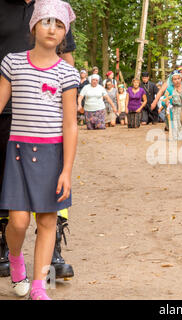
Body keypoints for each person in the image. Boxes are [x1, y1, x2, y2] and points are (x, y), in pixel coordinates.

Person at [0, 0, 79, 300]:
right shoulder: (12, 62)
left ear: (64, 34)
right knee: (18, 221)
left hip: (52, 154)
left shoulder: (68, 75)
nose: (52, 28)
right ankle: (15, 256)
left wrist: (67, 170)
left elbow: (71, 125)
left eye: (59, 24)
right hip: (18, 153)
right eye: (46, 21)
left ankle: (38, 286)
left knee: (47, 221)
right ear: (32, 26)